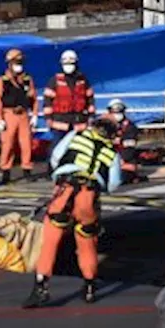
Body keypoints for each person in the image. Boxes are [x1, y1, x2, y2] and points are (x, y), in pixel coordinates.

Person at [23, 116, 123, 308]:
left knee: (50, 242)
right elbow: (114, 183)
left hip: (65, 191)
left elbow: (56, 156)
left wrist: (59, 175)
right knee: (87, 243)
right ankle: (89, 288)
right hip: (89, 197)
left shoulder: (76, 136)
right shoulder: (113, 154)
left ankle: (41, 287)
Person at [0, 48, 38, 183]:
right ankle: (5, 170)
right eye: (16, 62)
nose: (19, 65)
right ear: (9, 64)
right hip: (9, 114)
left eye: (20, 62)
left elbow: (33, 98)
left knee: (26, 143)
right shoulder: (2, 81)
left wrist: (34, 115)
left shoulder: (28, 80)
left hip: (23, 115)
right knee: (8, 144)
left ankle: (27, 169)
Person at [43, 49, 96, 144]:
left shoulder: (83, 81)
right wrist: (48, 119)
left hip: (79, 122)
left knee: (79, 148)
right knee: (57, 150)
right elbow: (47, 101)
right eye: (66, 64)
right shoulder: (54, 80)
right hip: (59, 123)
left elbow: (90, 99)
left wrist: (91, 116)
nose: (68, 66)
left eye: (71, 64)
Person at [105, 98, 144, 183]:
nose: (117, 114)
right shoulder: (104, 127)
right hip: (107, 159)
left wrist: (120, 161)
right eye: (114, 112)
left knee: (124, 175)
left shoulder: (130, 127)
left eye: (119, 112)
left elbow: (129, 149)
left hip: (124, 160)